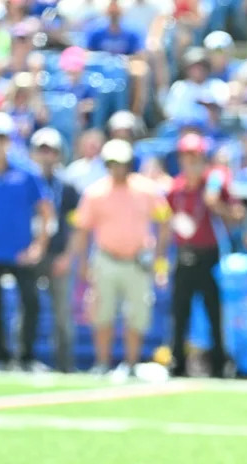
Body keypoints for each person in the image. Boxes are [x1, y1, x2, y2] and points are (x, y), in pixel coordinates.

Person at [72, 139, 172, 377]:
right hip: (106, 259)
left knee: (136, 314)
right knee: (102, 313)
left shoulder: (146, 190)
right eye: (113, 164)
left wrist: (159, 260)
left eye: (122, 163)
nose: (118, 168)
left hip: (137, 261)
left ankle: (131, 364)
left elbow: (165, 219)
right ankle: (102, 363)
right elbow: (83, 229)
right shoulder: (95, 192)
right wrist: (84, 263)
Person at [0, 112, 53, 370]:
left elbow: (46, 210)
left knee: (31, 303)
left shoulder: (27, 172)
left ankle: (26, 356)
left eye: (3, 138)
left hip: (20, 251)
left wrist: (39, 246)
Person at [166, 132, 239, 378]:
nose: (190, 163)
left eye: (195, 157)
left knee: (213, 312)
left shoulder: (215, 183)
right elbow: (167, 222)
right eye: (186, 157)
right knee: (179, 313)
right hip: (183, 255)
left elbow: (238, 216)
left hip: (209, 255)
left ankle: (219, 365)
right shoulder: (175, 188)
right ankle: (177, 363)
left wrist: (215, 205)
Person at [30, 127, 81, 373]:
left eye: (51, 150)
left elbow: (76, 227)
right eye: (42, 150)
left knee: (62, 314)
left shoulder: (68, 186)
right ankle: (21, 360)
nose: (46, 155)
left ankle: (65, 366)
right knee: (26, 309)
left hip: (58, 254)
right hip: (31, 255)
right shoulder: (25, 181)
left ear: (60, 154)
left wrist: (67, 256)